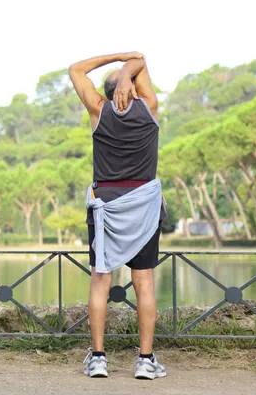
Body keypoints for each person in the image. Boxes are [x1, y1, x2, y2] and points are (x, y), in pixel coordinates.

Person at [68, 52, 167, 380]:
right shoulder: (149, 108)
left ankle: (98, 359)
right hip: (143, 207)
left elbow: (76, 69)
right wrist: (130, 67)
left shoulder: (99, 110)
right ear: (133, 87)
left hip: (105, 207)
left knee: (100, 281)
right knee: (144, 282)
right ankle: (145, 360)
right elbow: (142, 61)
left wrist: (120, 60)